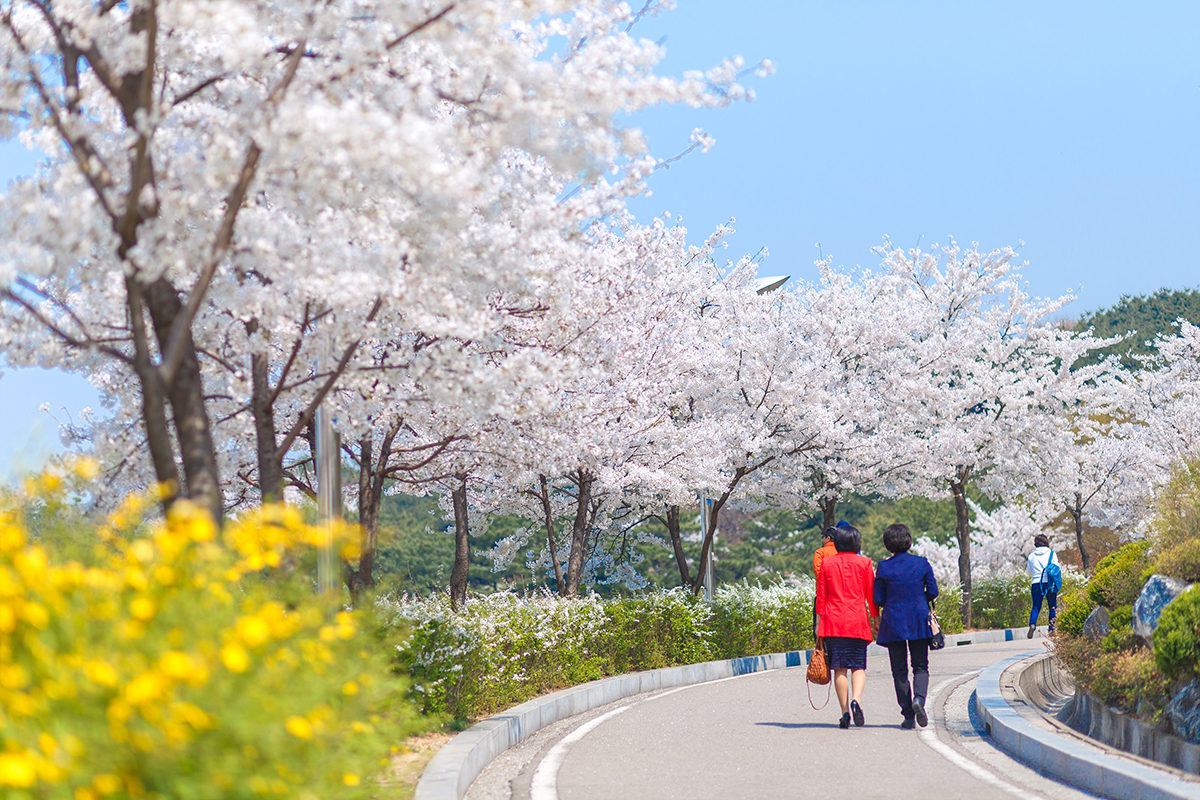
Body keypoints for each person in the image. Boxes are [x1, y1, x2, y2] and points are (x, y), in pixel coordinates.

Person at [873, 523, 939, 729]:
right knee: (920, 666)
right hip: (918, 619)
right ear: (909, 540)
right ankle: (919, 698)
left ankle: (908, 714)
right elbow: (934, 591)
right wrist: (920, 599)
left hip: (894, 622)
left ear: (887, 544)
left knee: (899, 670)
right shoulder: (921, 563)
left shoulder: (883, 567)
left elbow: (878, 597)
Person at [815, 523, 879, 729]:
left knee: (839, 669)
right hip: (857, 621)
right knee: (858, 666)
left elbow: (822, 597)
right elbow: (871, 595)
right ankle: (856, 701)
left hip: (833, 622)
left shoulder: (827, 564)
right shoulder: (865, 563)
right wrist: (876, 619)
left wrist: (819, 625)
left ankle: (844, 712)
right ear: (857, 542)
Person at [1026, 534, 1060, 638]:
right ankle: (1052, 629)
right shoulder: (1051, 554)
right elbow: (1056, 568)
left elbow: (1028, 571)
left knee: (1036, 606)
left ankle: (1032, 624)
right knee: (1052, 606)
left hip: (1036, 582)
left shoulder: (1031, 556)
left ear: (1036, 544)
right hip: (1049, 583)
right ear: (1046, 542)